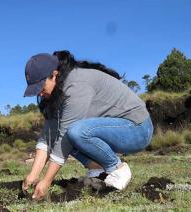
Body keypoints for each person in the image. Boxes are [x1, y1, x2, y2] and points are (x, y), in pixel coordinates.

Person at [22, 51, 153, 200]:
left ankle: (118, 169)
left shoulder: (75, 85)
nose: (39, 93)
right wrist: (33, 175)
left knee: (75, 132)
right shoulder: (56, 93)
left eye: (40, 86)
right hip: (114, 129)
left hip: (138, 129)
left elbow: (64, 138)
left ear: (54, 74)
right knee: (67, 131)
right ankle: (97, 169)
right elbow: (48, 135)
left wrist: (46, 181)